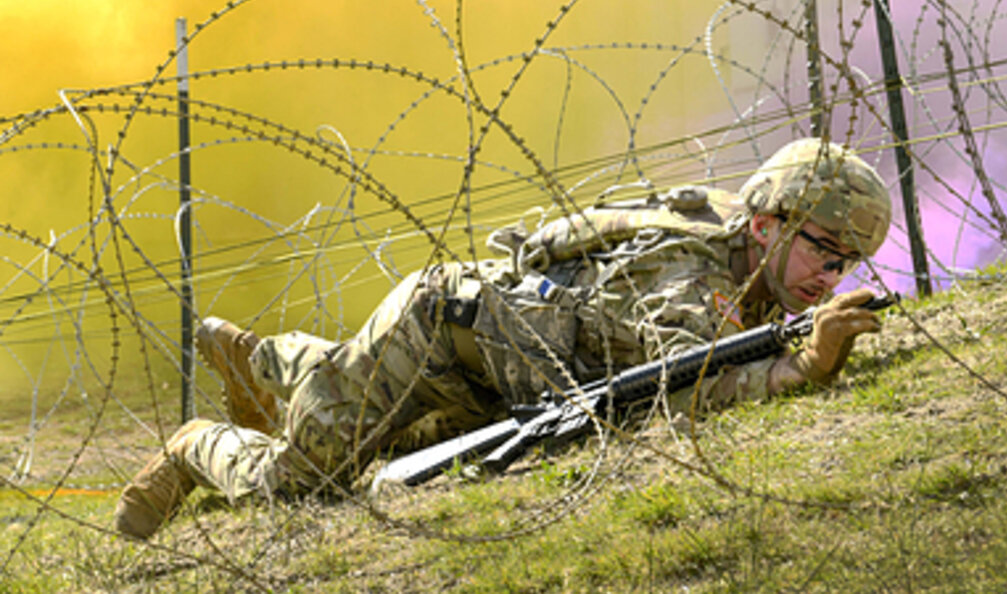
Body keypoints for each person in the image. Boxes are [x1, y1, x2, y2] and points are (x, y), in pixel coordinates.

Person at [113, 137, 893, 539]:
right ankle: (196, 445)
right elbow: (673, 393)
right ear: (766, 225)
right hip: (442, 328)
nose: (832, 273)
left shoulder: (743, 251)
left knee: (385, 445)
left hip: (505, 372)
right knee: (301, 485)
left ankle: (258, 358)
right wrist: (802, 369)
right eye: (824, 250)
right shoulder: (690, 281)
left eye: (848, 260)